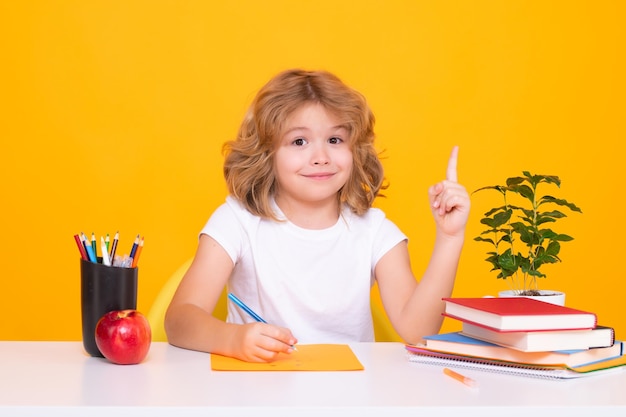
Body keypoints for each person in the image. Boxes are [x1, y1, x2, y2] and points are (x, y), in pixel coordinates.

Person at [165, 69, 470, 362]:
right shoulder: (237, 221)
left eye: (335, 140)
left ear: (355, 150)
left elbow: (418, 331)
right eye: (299, 141)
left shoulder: (376, 232)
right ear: (267, 153)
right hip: (259, 393)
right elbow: (179, 319)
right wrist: (233, 340)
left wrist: (449, 238)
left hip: (350, 397)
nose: (321, 157)